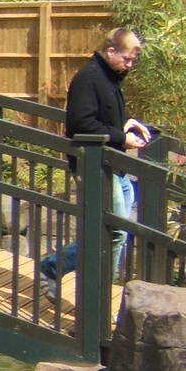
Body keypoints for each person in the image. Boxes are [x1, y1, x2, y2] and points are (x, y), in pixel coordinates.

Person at [38, 26, 150, 301]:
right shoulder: (88, 78)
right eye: (127, 58)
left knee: (114, 232)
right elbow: (82, 123)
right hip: (95, 166)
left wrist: (127, 124)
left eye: (133, 60)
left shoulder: (109, 78)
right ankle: (95, 296)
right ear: (110, 51)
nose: (129, 65)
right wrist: (121, 137)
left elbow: (102, 118)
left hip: (113, 166)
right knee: (113, 232)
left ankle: (62, 271)